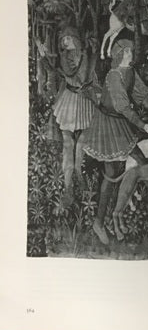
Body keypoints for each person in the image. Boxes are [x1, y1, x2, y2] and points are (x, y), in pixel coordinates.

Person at [83, 39, 148, 245]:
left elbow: (142, 97)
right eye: (127, 52)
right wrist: (142, 125)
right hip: (107, 125)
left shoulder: (129, 71)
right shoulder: (114, 76)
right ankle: (99, 222)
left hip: (119, 122)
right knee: (111, 173)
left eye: (131, 51)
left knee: (141, 159)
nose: (131, 54)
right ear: (119, 55)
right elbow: (123, 107)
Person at [40, 26, 99, 206]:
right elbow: (70, 74)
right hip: (70, 100)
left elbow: (90, 75)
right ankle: (68, 188)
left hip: (85, 101)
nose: (65, 42)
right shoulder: (65, 57)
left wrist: (92, 52)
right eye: (63, 40)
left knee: (81, 144)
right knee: (68, 145)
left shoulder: (86, 54)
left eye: (67, 38)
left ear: (75, 38)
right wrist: (43, 56)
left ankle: (79, 176)